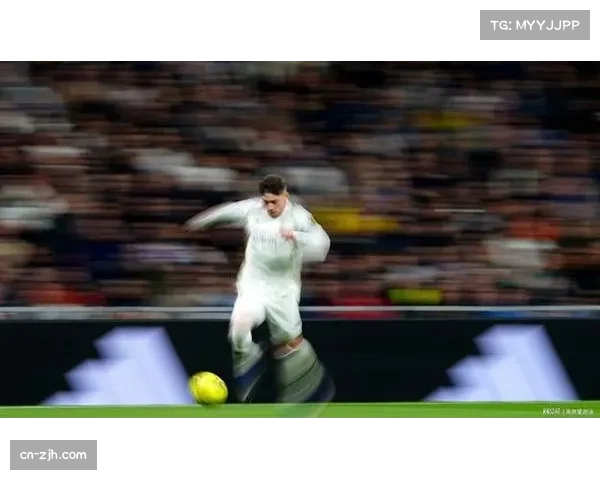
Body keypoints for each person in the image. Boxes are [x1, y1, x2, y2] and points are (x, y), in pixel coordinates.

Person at [185, 175, 334, 404]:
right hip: (253, 285)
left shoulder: (300, 217)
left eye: (275, 201)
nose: (270, 207)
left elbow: (322, 245)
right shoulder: (252, 209)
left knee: (289, 345)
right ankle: (249, 356)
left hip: (283, 290)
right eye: (266, 201)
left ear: (285, 195)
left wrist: (296, 236)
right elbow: (225, 212)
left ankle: (305, 385)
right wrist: (197, 222)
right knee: (239, 327)